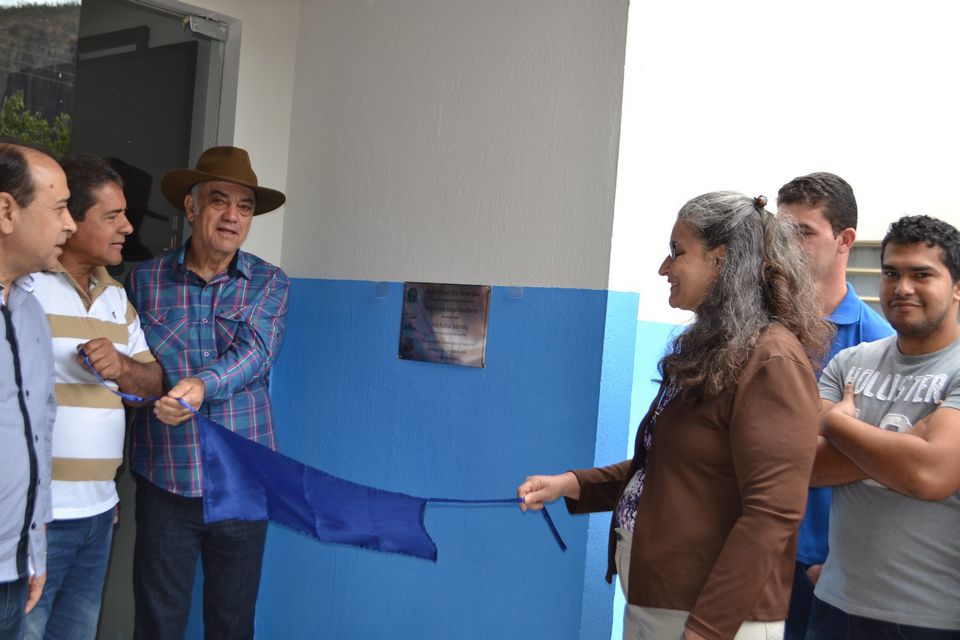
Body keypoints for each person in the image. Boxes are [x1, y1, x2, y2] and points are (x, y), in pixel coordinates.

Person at [519, 192, 832, 640]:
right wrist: (572, 484)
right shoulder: (712, 349)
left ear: (721, 260)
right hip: (661, 606)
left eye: (677, 252)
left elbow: (772, 514)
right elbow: (676, 469)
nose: (665, 268)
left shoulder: (771, 360)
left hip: (716, 620)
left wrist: (707, 629)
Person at [124, 146, 289, 639]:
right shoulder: (145, 280)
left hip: (241, 480)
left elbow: (257, 351)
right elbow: (134, 366)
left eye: (245, 207)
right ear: (192, 208)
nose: (232, 216)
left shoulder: (269, 282)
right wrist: (145, 395)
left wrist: (199, 386)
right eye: (220, 201)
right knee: (157, 620)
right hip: (165, 477)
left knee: (232, 622)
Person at [26, 155, 163, 640]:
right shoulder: (23, 289)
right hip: (34, 520)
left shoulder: (116, 298)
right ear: (71, 219)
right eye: (112, 216)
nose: (127, 226)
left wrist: (123, 367)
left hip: (99, 515)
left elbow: (151, 384)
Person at [808, 215, 960, 639]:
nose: (902, 287)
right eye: (891, 273)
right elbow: (804, 466)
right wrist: (905, 447)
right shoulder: (849, 362)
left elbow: (931, 476)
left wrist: (836, 423)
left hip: (930, 619)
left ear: (958, 286)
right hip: (835, 607)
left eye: (922, 274)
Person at [776, 172, 893, 639]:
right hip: (749, 544)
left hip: (821, 564)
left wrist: (842, 561)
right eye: (781, 232)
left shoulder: (876, 343)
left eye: (803, 232)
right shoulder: (757, 329)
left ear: (845, 240)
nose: (787, 244)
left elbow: (882, 464)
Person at [0, 142, 76, 639]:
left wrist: (35, 552)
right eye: (60, 208)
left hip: (13, 571)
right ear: (6, 211)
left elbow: (38, 430)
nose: (71, 224)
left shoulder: (29, 309)